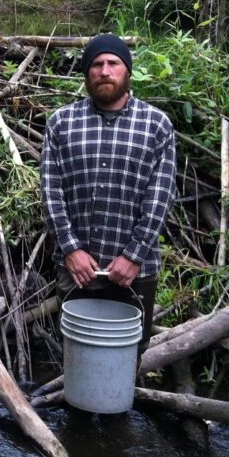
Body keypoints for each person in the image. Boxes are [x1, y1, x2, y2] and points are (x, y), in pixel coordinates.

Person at [40, 33, 177, 354]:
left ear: (126, 71)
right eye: (97, 64)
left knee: (129, 356)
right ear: (87, 73)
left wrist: (133, 255)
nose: (105, 71)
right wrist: (72, 249)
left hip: (135, 272)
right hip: (76, 270)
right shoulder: (62, 123)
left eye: (113, 63)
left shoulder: (156, 125)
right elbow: (50, 190)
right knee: (75, 352)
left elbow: (161, 196)